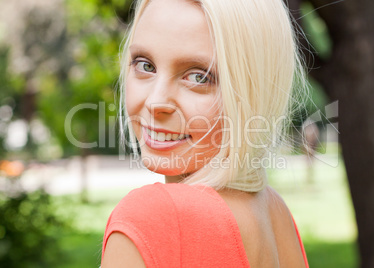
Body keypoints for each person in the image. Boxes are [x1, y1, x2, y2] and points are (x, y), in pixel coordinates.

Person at [102, 0, 309, 267]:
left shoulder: (153, 217)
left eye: (198, 77)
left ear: (252, 92)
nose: (156, 102)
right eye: (145, 65)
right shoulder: (274, 212)